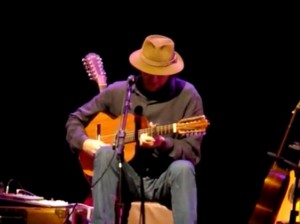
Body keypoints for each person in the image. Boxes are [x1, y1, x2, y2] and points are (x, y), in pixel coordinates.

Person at [65, 34, 207, 224]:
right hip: (125, 180)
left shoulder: (188, 96)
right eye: (149, 72)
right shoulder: (121, 91)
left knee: (183, 168)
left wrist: (163, 144)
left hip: (163, 180)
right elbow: (75, 120)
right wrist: (85, 142)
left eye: (161, 73)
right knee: (106, 154)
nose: (154, 79)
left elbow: (193, 153)